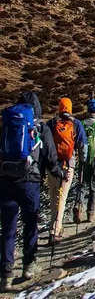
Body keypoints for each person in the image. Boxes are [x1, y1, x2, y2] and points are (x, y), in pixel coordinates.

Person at [0, 92, 62, 291]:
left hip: (6, 180)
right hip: (30, 181)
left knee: (8, 228)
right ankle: (28, 265)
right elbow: (51, 157)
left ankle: (6, 274)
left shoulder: (8, 125)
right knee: (30, 223)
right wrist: (58, 173)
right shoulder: (40, 128)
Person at [46, 97, 87, 243]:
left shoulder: (51, 124)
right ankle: (55, 230)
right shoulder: (76, 124)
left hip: (51, 166)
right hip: (68, 165)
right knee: (61, 198)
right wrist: (82, 160)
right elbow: (82, 145)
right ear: (70, 108)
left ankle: (55, 226)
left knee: (53, 196)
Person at [74, 99, 95, 224]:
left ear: (87, 110)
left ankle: (78, 206)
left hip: (84, 159)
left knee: (82, 184)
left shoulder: (81, 124)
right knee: (94, 185)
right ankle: (90, 213)